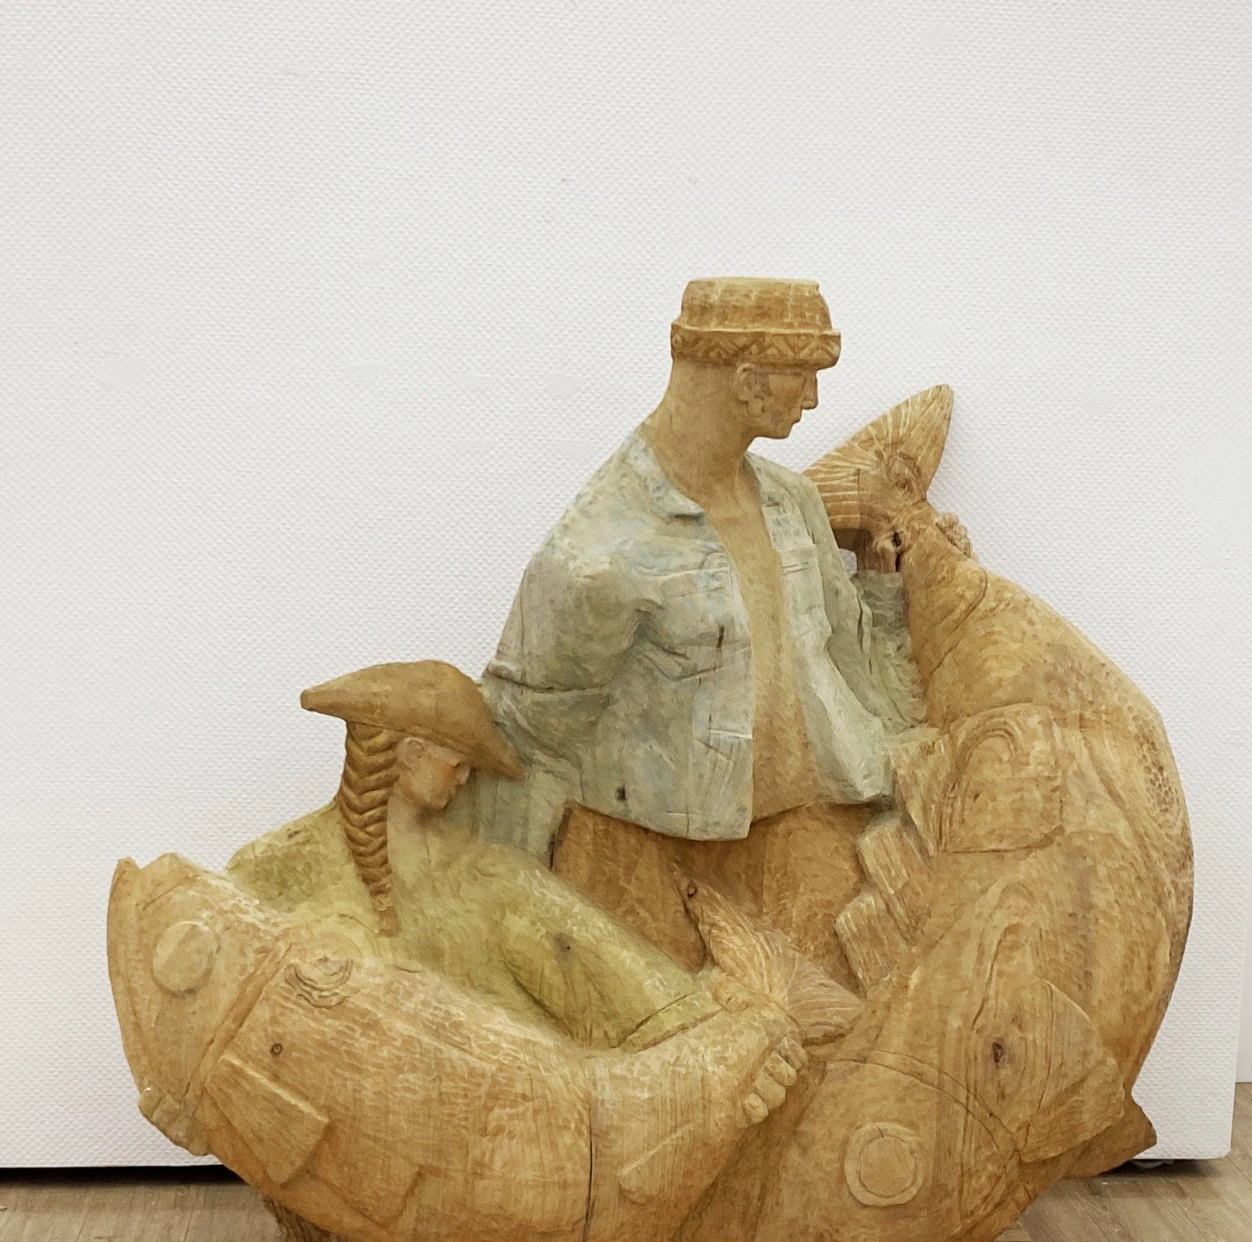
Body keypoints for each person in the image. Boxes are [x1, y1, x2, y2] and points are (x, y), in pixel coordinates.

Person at [477, 277, 925, 975]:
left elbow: (857, 666)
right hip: (649, 872)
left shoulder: (792, 503)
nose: (813, 399)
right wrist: (493, 916)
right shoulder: (597, 550)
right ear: (746, 380)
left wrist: (889, 585)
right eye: (803, 376)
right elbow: (527, 740)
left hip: (808, 846)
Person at [225, 660, 726, 1051]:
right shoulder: (274, 865)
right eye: (457, 763)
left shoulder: (495, 875)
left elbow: (620, 976)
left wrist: (697, 1024)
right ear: (412, 753)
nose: (465, 779)